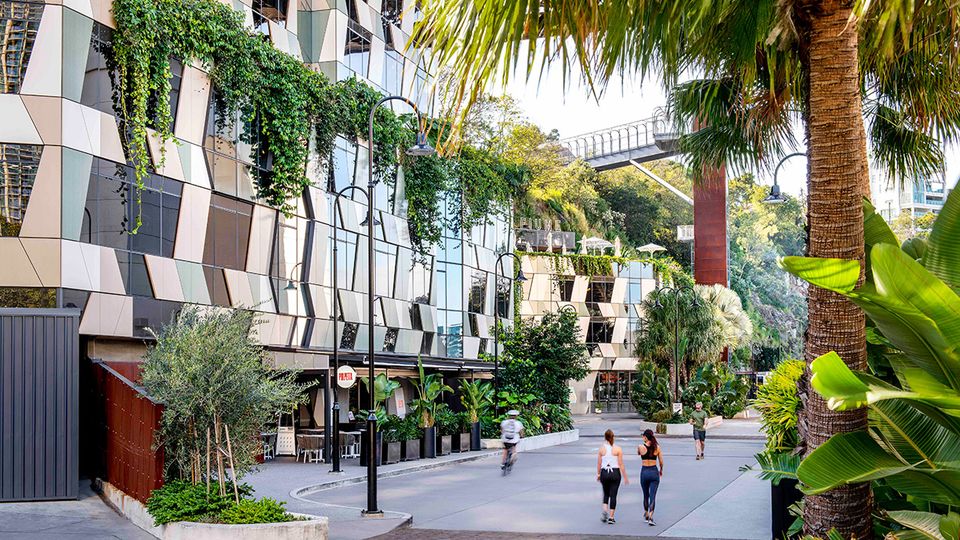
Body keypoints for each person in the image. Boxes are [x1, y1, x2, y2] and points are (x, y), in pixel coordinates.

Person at [597, 429, 628, 524]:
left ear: (605, 437)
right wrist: (625, 476)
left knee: (606, 493)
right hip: (615, 472)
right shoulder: (618, 449)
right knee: (613, 495)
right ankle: (611, 517)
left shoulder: (601, 449)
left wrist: (598, 474)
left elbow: (599, 463)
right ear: (613, 437)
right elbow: (621, 464)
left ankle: (605, 510)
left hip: (604, 472)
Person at [638, 429, 663, 526]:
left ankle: (646, 514)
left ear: (645, 437)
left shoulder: (640, 447)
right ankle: (651, 517)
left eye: (643, 436)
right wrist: (661, 470)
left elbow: (639, 453)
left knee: (645, 494)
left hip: (644, 471)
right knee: (653, 495)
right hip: (653, 471)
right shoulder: (657, 447)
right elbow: (661, 462)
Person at [500, 410, 524, 474]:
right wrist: (522, 436)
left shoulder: (504, 422)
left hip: (505, 439)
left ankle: (503, 463)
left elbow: (502, 430)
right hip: (514, 439)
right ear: (516, 416)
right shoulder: (518, 423)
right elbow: (521, 432)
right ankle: (512, 459)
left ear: (508, 416)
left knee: (505, 449)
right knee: (514, 450)